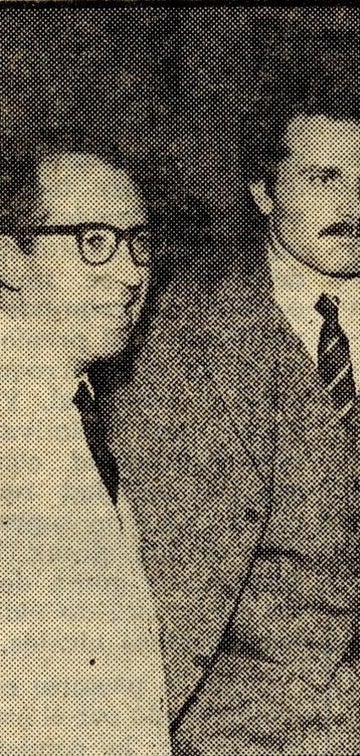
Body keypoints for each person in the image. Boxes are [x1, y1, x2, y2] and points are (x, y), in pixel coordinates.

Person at [103, 97, 360, 753]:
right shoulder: (176, 318)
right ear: (263, 192)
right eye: (323, 178)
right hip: (242, 715)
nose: (355, 209)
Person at [0, 148, 171, 753]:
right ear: (11, 259)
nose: (131, 274)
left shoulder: (85, 408)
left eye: (138, 241)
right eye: (93, 240)